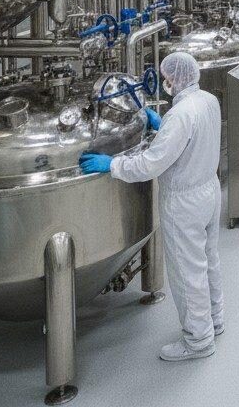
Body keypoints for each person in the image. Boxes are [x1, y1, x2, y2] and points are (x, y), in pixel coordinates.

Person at [79, 51, 223, 363]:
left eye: (167, 78)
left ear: (173, 79)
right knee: (208, 261)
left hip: (185, 202)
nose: (165, 83)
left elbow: (150, 165)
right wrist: (163, 128)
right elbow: (189, 142)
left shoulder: (180, 115)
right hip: (209, 191)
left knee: (187, 272)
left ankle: (198, 340)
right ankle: (215, 318)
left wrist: (112, 164)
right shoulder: (207, 100)